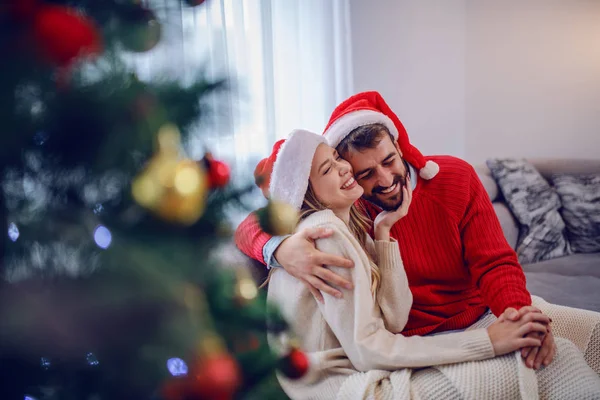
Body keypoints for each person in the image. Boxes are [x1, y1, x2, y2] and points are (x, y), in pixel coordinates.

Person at [237, 92, 600, 397]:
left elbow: (496, 264)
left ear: (400, 146)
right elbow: (254, 221)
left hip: (483, 315)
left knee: (590, 335)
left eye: (389, 161)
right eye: (365, 173)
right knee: (559, 367)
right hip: (418, 343)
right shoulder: (348, 205)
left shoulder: (456, 176)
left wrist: (519, 317)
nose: (384, 180)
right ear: (348, 171)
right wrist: (279, 249)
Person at [264, 129, 555, 399]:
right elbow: (367, 349)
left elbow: (393, 318)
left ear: (401, 149)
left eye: (337, 158)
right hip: (339, 381)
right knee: (529, 373)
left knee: (557, 347)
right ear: (306, 193)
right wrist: (487, 341)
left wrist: (384, 233)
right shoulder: (326, 235)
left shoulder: (354, 224)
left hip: (383, 353)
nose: (343, 168)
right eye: (328, 169)